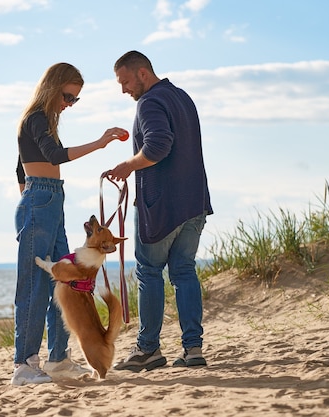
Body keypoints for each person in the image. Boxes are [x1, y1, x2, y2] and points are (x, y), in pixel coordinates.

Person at [13, 62, 128, 386]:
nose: (69, 104)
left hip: (50, 200)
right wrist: (100, 142)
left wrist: (36, 195)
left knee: (70, 284)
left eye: (75, 100)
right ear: (52, 87)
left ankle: (59, 359)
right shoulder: (36, 118)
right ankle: (24, 365)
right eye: (67, 96)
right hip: (41, 201)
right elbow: (54, 156)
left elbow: (20, 167)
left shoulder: (44, 121)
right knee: (34, 287)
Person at [108, 51, 213, 372]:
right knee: (183, 272)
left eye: (125, 81)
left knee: (149, 273)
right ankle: (192, 349)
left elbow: (157, 146)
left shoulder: (150, 102)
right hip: (194, 202)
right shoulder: (182, 97)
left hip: (162, 206)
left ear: (142, 73)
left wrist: (128, 165)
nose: (124, 89)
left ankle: (148, 350)